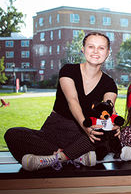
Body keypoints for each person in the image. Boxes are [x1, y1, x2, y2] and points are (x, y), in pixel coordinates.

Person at [4, 32, 119, 171]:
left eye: (101, 48)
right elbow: (72, 101)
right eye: (91, 46)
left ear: (107, 52)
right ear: (83, 49)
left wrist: (114, 124)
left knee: (105, 134)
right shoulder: (68, 70)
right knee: (12, 134)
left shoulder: (109, 83)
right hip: (54, 131)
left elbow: (109, 108)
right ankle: (74, 157)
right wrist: (85, 127)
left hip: (82, 136)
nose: (96, 51)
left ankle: (56, 159)